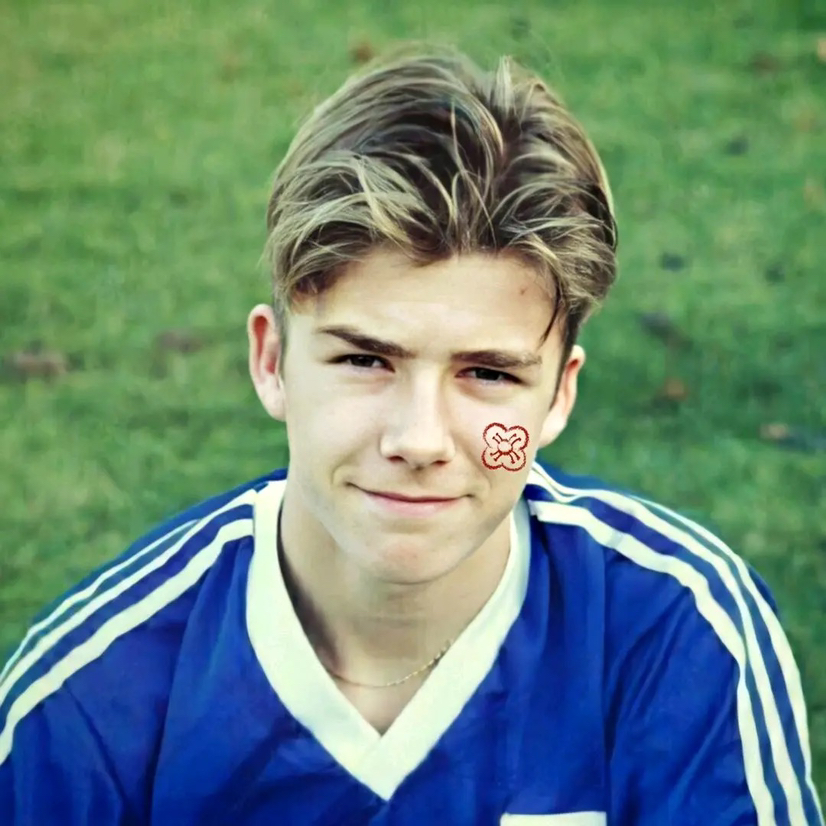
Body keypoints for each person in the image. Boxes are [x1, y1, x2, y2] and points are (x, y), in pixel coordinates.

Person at [0, 41, 821, 826]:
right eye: (365, 360)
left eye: (488, 374)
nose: (420, 439)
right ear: (273, 362)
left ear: (558, 398)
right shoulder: (91, 695)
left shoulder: (679, 633)